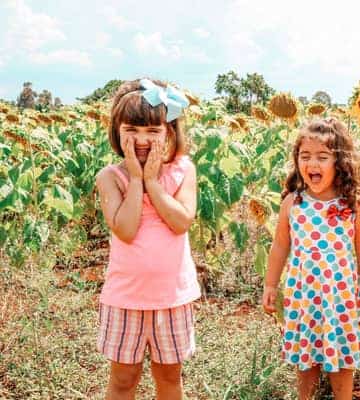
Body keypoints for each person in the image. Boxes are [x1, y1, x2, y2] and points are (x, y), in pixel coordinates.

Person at [95, 78, 200, 400]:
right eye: (132, 130)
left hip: (172, 297)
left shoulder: (183, 170)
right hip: (125, 297)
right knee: (124, 380)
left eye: (152, 131)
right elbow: (125, 230)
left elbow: (181, 221)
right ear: (117, 131)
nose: (141, 139)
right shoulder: (110, 177)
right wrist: (137, 179)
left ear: (169, 131)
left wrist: (152, 181)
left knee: (169, 379)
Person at [262, 118, 360, 400]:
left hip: (341, 296)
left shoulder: (352, 204)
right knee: (306, 358)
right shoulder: (293, 203)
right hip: (304, 295)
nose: (313, 163)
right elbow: (279, 248)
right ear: (297, 161)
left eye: (322, 157)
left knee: (342, 361)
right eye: (305, 156)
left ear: (340, 162)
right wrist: (270, 285)